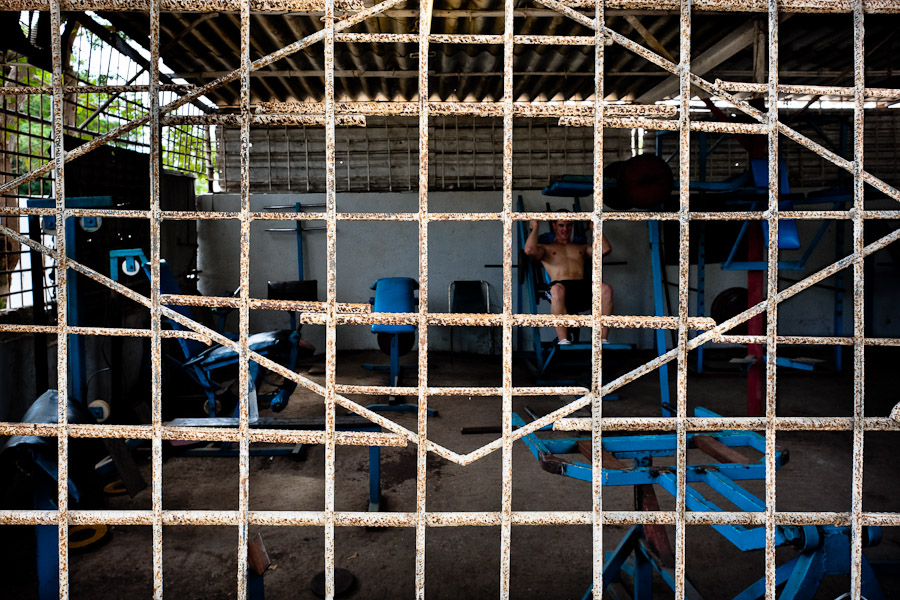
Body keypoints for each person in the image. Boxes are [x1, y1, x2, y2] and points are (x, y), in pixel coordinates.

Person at [524, 213, 613, 344]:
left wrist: (596, 228)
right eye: (561, 225)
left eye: (568, 225)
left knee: (606, 289)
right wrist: (535, 227)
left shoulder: (581, 247)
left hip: (581, 288)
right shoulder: (546, 248)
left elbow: (605, 249)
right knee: (556, 289)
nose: (565, 229)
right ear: (554, 226)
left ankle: (602, 339)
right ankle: (563, 340)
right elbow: (529, 251)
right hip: (560, 289)